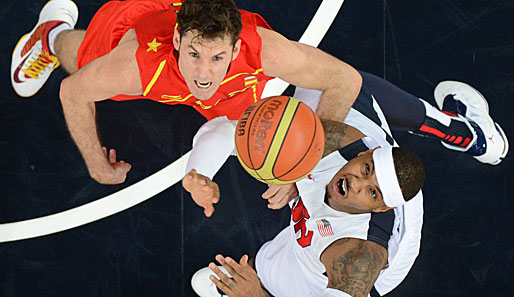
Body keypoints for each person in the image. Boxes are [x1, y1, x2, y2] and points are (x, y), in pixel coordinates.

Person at [183, 77, 507, 296]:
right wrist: (199, 172)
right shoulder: (337, 137)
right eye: (365, 169)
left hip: (345, 263)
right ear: (365, 153)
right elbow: (225, 130)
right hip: (358, 178)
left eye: (371, 191)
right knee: (341, 83)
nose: (354, 184)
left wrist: (257, 294)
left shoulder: (357, 257)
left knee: (278, 272)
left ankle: (258, 282)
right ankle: (468, 133)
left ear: (381, 206)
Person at [11, 0, 362, 185]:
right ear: (178, 41)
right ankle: (50, 34)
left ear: (237, 49)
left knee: (239, 115)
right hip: (144, 18)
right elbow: (73, 92)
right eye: (194, 55)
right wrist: (96, 166)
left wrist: (306, 164)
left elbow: (345, 80)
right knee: (85, 60)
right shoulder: (136, 65)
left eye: (217, 57)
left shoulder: (267, 51)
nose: (204, 74)